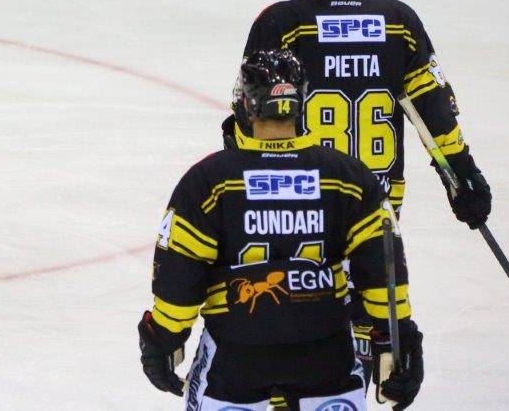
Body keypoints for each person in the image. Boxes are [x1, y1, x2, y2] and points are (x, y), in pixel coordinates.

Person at [225, 0, 491, 384]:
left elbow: (249, 120)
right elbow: (434, 111)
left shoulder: (283, 21)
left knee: (299, 314)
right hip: (376, 204)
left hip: (300, 201)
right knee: (370, 315)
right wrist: (462, 174)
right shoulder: (399, 21)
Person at [139, 49, 424, 410]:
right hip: (327, 356)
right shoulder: (349, 177)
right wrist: (399, 338)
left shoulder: (210, 180)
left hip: (235, 360)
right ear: (299, 103)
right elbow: (383, 269)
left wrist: (162, 337)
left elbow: (180, 277)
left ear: (247, 104)